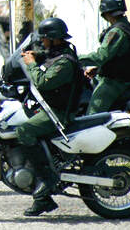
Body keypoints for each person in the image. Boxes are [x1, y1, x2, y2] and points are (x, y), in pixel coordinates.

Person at [15, 17, 85, 216]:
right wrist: (34, 55)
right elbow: (46, 56)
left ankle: (47, 178)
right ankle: (42, 197)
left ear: (54, 39)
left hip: (58, 114)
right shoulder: (58, 53)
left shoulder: (65, 63)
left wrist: (30, 64)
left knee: (24, 131)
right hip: (49, 107)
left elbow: (42, 82)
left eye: (45, 39)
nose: (42, 42)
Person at [80, 0, 130, 115]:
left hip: (114, 83)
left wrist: (75, 58)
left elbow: (101, 56)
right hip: (126, 79)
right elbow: (121, 56)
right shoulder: (128, 28)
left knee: (91, 119)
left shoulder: (116, 32)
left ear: (105, 13)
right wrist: (98, 69)